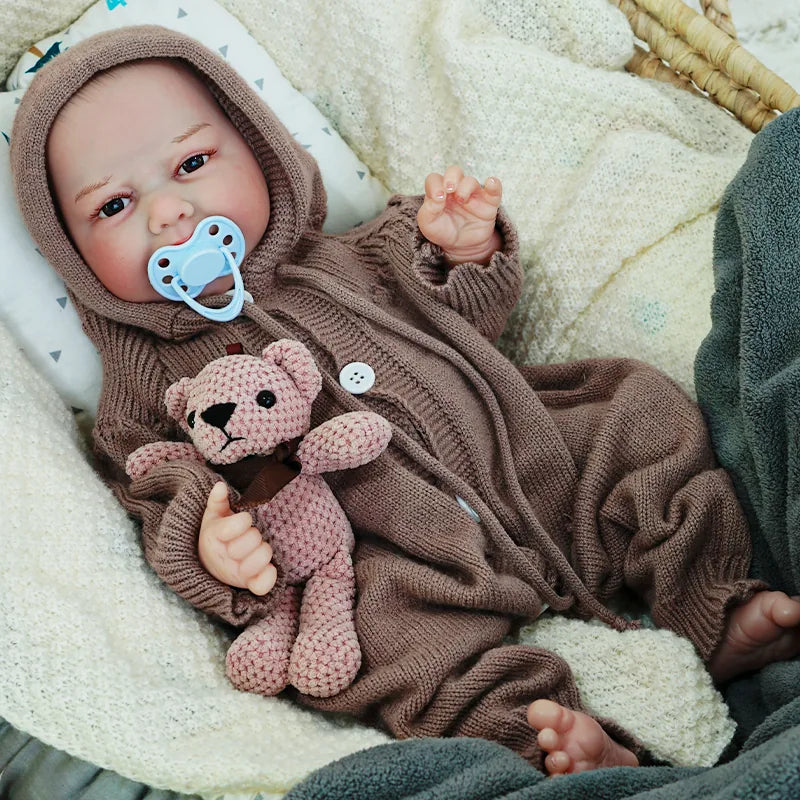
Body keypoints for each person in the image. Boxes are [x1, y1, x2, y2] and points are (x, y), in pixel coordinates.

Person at [12, 25, 800, 776]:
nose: (169, 213)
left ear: (259, 152)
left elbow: (468, 322)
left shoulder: (358, 255)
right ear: (72, 259)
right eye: (113, 206)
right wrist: (209, 541)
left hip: (535, 462)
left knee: (633, 409)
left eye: (191, 165)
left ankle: (707, 599)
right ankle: (554, 743)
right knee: (401, 659)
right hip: (394, 567)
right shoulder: (144, 389)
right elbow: (156, 484)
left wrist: (464, 250)